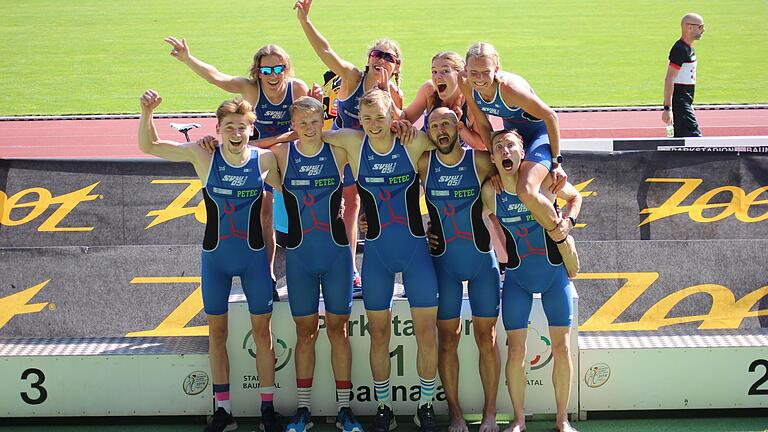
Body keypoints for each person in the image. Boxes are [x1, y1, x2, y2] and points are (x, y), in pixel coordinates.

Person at [138, 91, 282, 432]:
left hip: (254, 261)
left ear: (251, 128)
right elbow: (151, 146)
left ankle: (267, 410)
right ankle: (223, 411)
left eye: (242, 127)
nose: (235, 133)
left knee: (264, 334)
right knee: (217, 333)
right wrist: (147, 113)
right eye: (228, 126)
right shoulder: (203, 156)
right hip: (215, 259)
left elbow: (290, 197)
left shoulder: (264, 161)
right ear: (218, 129)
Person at [319, 89, 441, 432]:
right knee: (379, 333)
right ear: (360, 119)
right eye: (367, 118)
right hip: (377, 255)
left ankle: (426, 405)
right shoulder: (354, 143)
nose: (374, 125)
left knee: (427, 333)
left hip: (416, 251)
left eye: (381, 118)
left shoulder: (412, 142)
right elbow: (310, 130)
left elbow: (451, 140)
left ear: (393, 117)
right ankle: (384, 406)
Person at [164, 36, 312, 300]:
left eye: (278, 69)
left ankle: (314, 269)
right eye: (266, 70)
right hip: (259, 157)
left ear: (286, 69)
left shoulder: (297, 88)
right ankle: (267, 274)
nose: (273, 75)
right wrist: (188, 59)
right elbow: (216, 77)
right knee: (264, 215)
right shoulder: (252, 89)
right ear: (258, 72)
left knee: (308, 209)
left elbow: (308, 127)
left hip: (289, 156)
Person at [295, 0, 405, 297]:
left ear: (396, 66)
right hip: (343, 152)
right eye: (376, 54)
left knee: (382, 208)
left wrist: (388, 95)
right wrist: (305, 22)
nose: (381, 59)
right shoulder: (352, 77)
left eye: (389, 57)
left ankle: (388, 266)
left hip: (372, 157)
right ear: (368, 58)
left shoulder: (394, 93)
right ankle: (348, 270)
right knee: (346, 206)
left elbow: (398, 125)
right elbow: (326, 52)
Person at [271, 97, 363, 432]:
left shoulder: (338, 151)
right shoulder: (281, 155)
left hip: (336, 256)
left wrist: (331, 133)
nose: (310, 129)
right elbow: (241, 152)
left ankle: (344, 409)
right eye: (303, 123)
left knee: (338, 331)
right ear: (292, 124)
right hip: (300, 259)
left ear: (325, 120)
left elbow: (362, 137)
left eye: (316, 121)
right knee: (305, 333)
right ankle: (303, 410)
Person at [481, 130, 581, 432]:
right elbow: (479, 219)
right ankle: (519, 420)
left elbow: (575, 197)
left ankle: (562, 420)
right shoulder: (491, 191)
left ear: (522, 153)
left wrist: (569, 222)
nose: (505, 150)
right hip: (518, 279)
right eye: (498, 147)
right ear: (494, 157)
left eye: (511, 145)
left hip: (554, 277)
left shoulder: (545, 182)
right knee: (515, 350)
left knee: (562, 348)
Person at [462, 43, 577, 277]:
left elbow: (550, 116)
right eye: (474, 72)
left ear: (497, 69)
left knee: (525, 190)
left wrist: (557, 163)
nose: (480, 78)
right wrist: (495, 159)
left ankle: (561, 237)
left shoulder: (509, 89)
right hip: (513, 138)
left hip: (538, 137)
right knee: (505, 185)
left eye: (486, 72)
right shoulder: (467, 86)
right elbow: (483, 125)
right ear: (466, 70)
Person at [420, 108, 501, 432]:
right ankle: (455, 415)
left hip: (481, 261)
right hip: (445, 265)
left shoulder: (479, 162)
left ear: (457, 127)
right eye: (434, 125)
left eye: (446, 124)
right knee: (448, 340)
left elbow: (511, 164)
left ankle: (491, 414)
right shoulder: (424, 164)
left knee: (487, 337)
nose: (441, 130)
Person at [401, 52, 485, 150]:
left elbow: (481, 145)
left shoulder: (472, 99)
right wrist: (386, 92)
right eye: (434, 71)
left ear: (460, 74)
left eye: (445, 71)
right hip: (428, 153)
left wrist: (458, 126)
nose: (437, 77)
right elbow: (405, 118)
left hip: (458, 156)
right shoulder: (429, 90)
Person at [662, 13, 705, 137]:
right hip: (681, 104)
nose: (703, 30)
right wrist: (667, 108)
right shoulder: (680, 49)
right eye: (700, 26)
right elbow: (669, 78)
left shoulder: (688, 48)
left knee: (683, 143)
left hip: (686, 103)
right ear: (689, 27)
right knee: (695, 141)